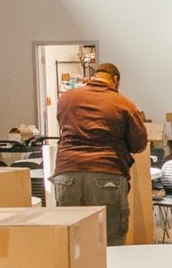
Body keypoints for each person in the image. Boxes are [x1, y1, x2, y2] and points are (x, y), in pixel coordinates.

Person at [53, 62, 148, 244]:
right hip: (107, 173)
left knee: (72, 243)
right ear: (115, 80)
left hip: (67, 175)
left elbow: (64, 128)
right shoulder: (123, 104)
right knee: (110, 241)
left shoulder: (66, 99)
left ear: (94, 76)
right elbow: (139, 144)